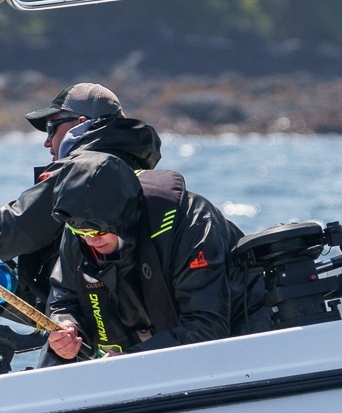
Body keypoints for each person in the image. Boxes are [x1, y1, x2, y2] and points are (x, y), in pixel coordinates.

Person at [0, 83, 158, 311]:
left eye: (52, 128)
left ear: (80, 124)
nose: (47, 141)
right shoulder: (134, 171)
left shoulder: (81, 175)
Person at [41, 143, 263, 362]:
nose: (89, 239)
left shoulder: (193, 226)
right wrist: (67, 326)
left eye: (98, 232)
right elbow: (63, 299)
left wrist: (133, 357)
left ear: (123, 217)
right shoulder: (79, 226)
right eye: (79, 231)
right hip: (151, 350)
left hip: (242, 339)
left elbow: (208, 324)